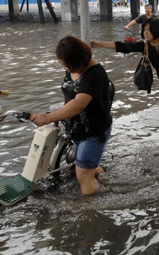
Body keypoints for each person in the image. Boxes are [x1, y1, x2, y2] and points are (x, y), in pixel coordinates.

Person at [30, 36, 112, 195]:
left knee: (82, 174)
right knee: (85, 165)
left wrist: (48, 117)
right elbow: (70, 97)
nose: (65, 69)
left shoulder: (94, 74)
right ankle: (102, 174)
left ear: (77, 61)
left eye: (67, 65)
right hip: (76, 127)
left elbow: (79, 103)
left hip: (93, 131)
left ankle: (90, 209)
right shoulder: (72, 68)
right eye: (62, 64)